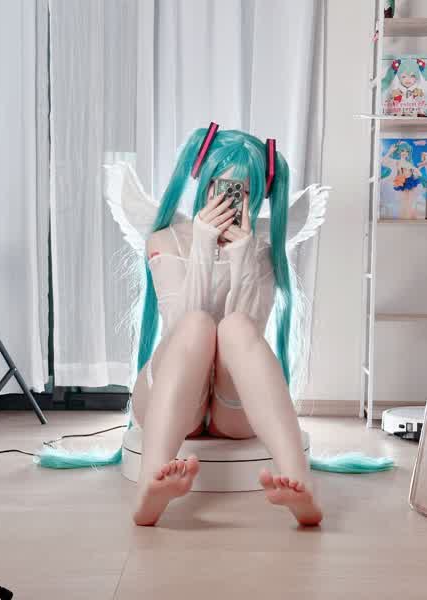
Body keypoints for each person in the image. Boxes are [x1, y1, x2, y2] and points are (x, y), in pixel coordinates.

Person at [128, 126, 324, 527]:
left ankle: (300, 487)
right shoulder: (165, 240)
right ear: (203, 181)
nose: (230, 200)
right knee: (197, 325)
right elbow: (179, 329)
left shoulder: (263, 248)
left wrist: (243, 258)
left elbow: (250, 329)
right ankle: (150, 487)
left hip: (232, 406)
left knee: (235, 327)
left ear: (260, 195)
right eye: (221, 186)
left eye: (243, 192)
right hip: (171, 394)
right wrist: (202, 246)